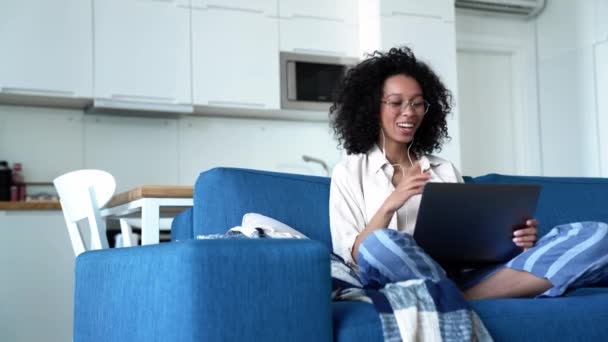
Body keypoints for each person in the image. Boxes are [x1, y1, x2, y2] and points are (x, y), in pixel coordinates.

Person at [328, 46, 608, 299]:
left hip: (465, 277)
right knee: (380, 245)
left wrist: (518, 241)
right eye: (396, 102)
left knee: (597, 235)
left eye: (417, 103)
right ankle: (457, 295)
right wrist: (391, 204)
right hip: (394, 275)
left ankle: (459, 298)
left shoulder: (443, 170)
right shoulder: (350, 172)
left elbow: (475, 248)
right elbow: (355, 255)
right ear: (372, 108)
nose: (409, 112)